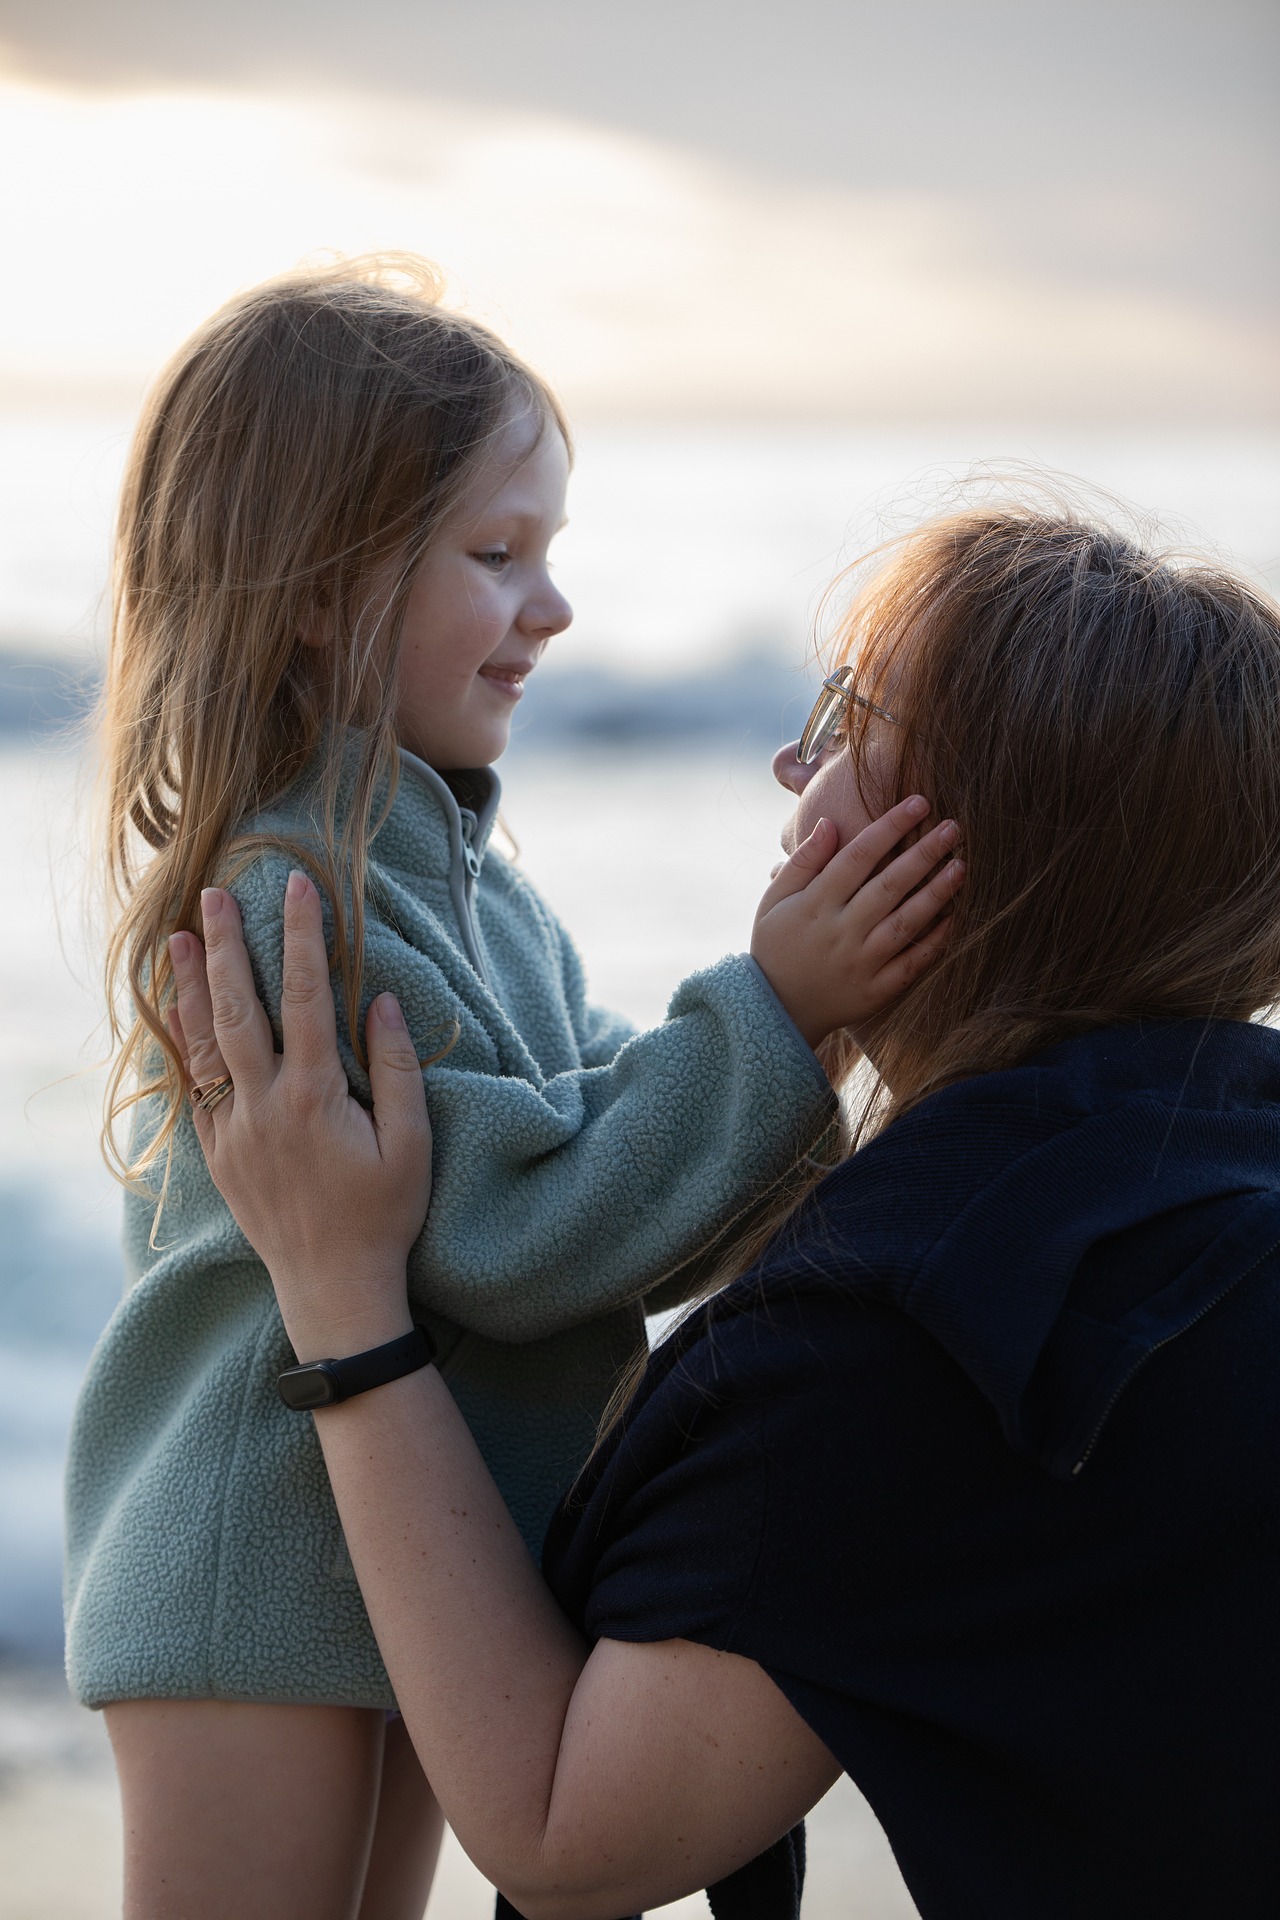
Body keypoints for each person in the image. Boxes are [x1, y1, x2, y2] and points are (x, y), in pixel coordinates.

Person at [168, 502, 1280, 1920]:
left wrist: (338, 1288)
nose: (790, 765)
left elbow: (567, 1839)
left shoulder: (923, 1328)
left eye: (848, 723)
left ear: (953, 853)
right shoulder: (1217, 1176)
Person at [63, 255, 963, 1919]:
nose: (552, 609)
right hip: (253, 1546)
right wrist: (778, 1010)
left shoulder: (467, 877)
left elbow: (615, 1169)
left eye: (547, 552)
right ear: (317, 590)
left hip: (408, 1552)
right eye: (497, 556)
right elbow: (513, 1230)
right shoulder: (295, 893)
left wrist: (820, 1040)